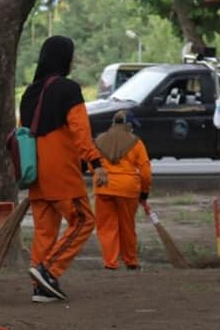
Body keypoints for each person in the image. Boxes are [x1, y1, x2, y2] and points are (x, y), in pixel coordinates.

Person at [20, 36, 106, 303]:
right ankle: (49, 270)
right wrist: (96, 163)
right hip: (61, 173)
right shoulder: (69, 89)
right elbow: (81, 132)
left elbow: (22, 131)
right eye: (72, 55)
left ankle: (40, 288)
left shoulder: (29, 93)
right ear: (63, 58)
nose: (74, 60)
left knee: (45, 231)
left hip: (35, 174)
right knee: (83, 221)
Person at [93, 110, 152, 270]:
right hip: (128, 189)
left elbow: (92, 164)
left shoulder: (99, 140)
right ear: (128, 125)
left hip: (104, 187)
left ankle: (110, 262)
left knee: (106, 227)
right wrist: (144, 193)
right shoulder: (136, 143)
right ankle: (131, 261)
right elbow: (145, 172)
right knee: (127, 225)